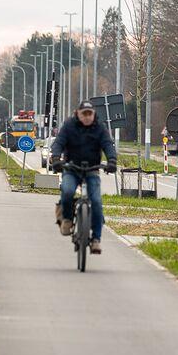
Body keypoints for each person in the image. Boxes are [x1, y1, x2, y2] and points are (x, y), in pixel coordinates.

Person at [49, 102, 117, 253]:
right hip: (72, 168)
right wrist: (55, 158)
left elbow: (108, 145)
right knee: (67, 191)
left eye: (89, 114)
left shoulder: (100, 128)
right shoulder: (69, 126)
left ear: (93, 114)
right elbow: (59, 142)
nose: (87, 117)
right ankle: (67, 218)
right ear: (77, 114)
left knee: (97, 203)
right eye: (84, 114)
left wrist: (112, 160)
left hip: (92, 169)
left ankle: (96, 240)